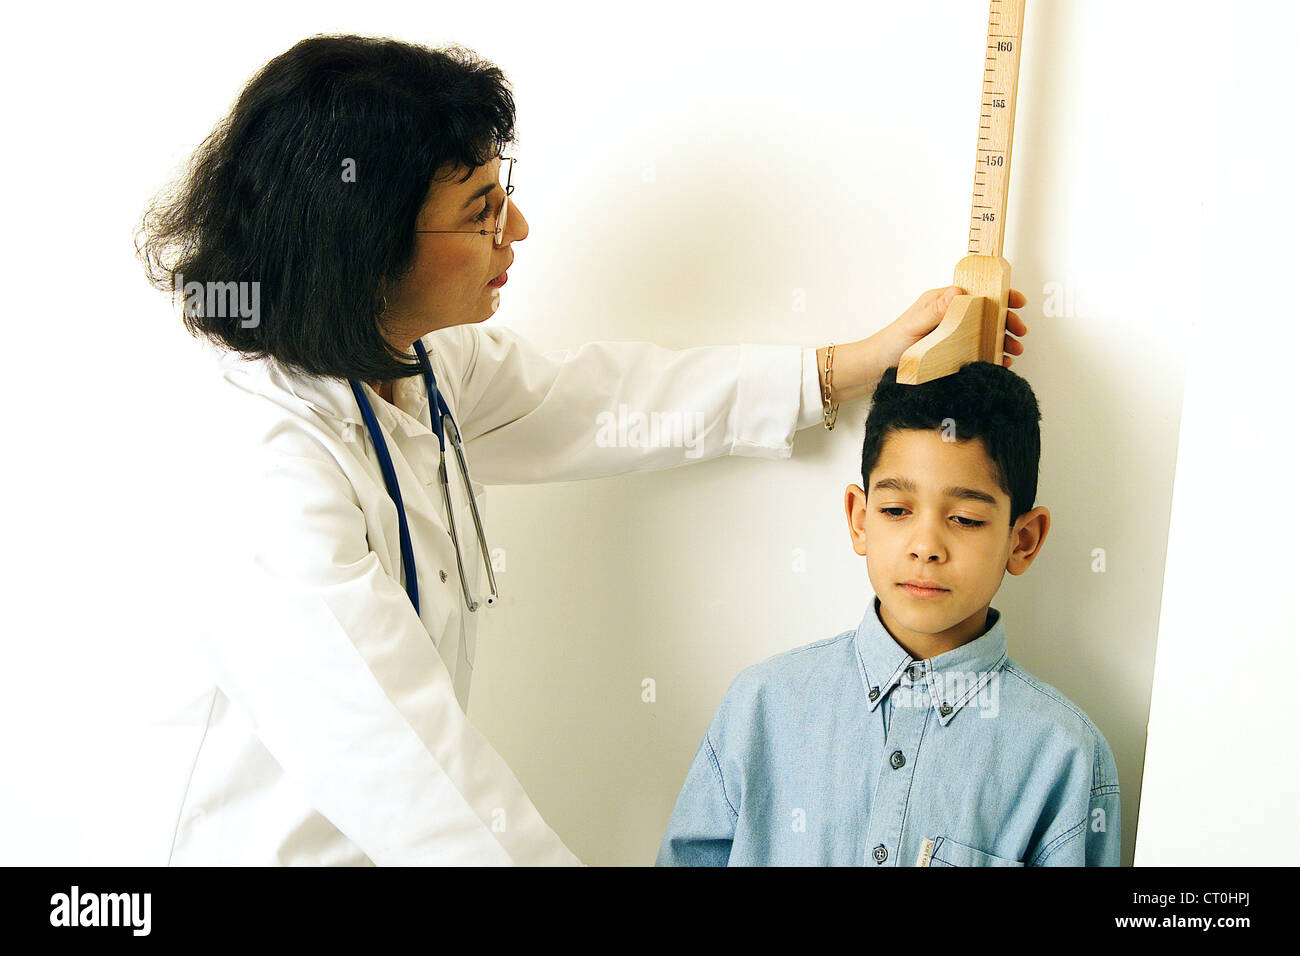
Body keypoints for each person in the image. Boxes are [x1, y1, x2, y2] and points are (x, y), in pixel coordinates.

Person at [136, 34, 1029, 866]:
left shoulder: (416, 364)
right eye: (481, 211)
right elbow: (409, 768)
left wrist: (853, 364)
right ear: (365, 245)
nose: (516, 230)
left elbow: (608, 402)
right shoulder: (265, 466)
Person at [655, 361, 1119, 866]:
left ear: (1022, 540)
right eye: (897, 511)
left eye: (965, 519)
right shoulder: (763, 706)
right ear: (859, 519)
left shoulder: (1064, 754)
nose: (925, 546)